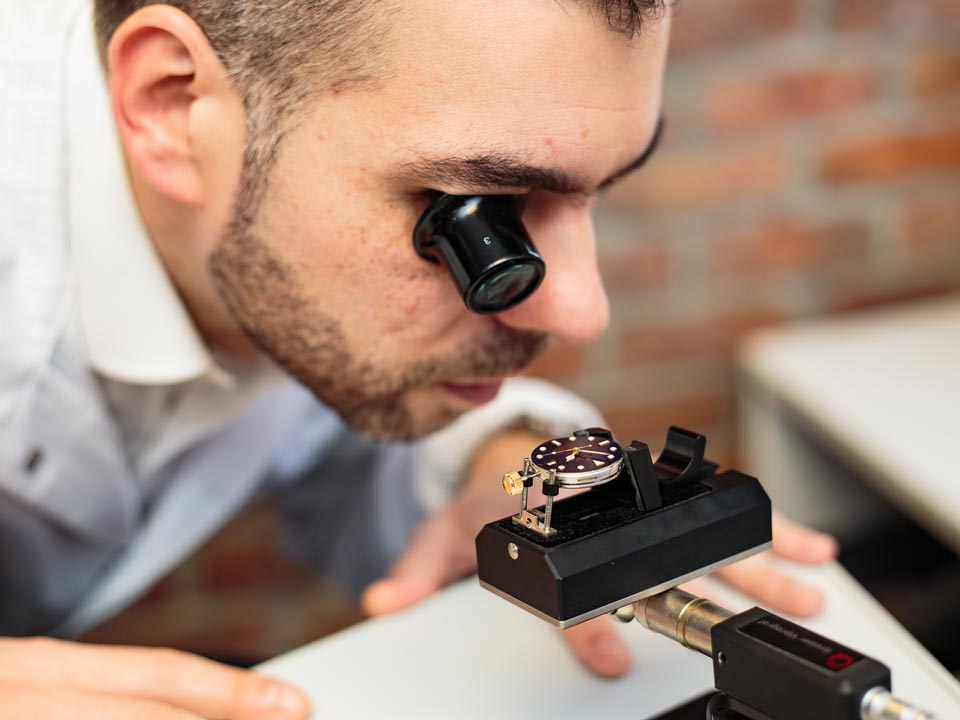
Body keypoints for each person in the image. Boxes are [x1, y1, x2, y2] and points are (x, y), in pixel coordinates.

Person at [0, 0, 839, 717]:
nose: (584, 311)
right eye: (482, 216)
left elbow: (335, 444)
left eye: (597, 193)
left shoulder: (276, 220)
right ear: (174, 105)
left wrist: (508, 467)